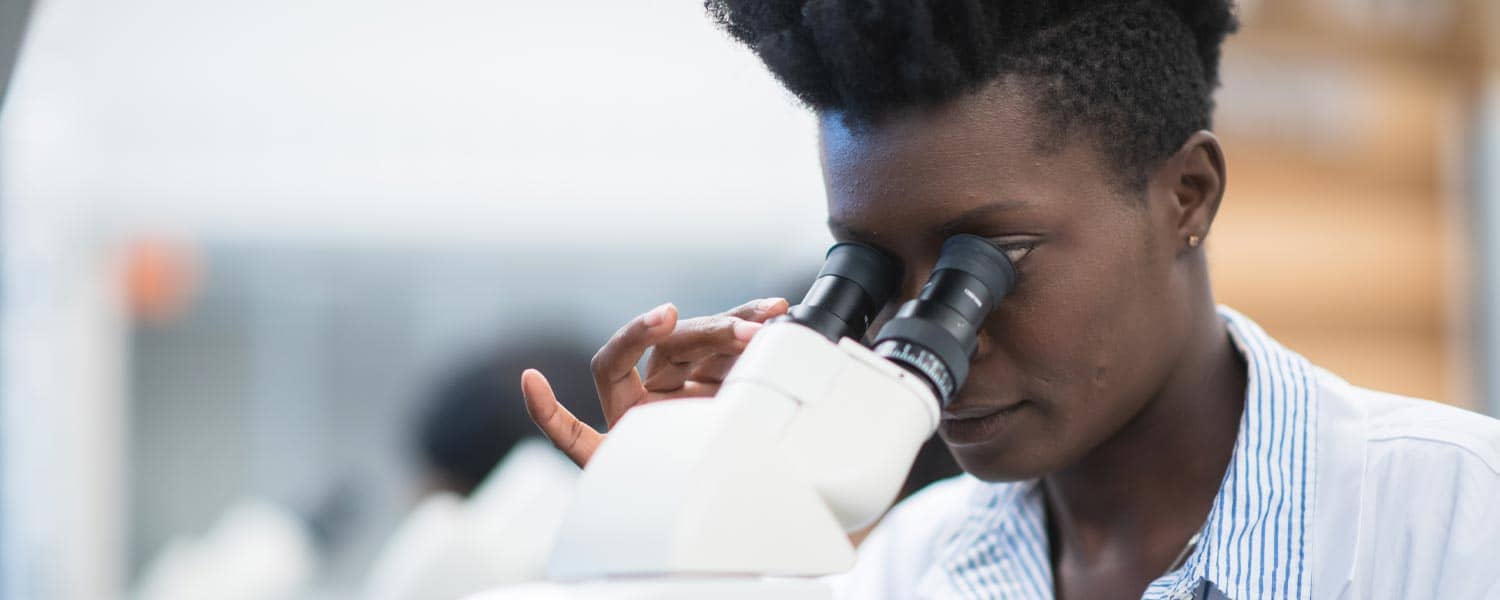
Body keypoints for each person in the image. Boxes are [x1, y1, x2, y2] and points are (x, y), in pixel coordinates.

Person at [518, 1, 1500, 598]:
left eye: (987, 260)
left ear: (1186, 198)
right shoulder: (905, 570)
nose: (931, 338)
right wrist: (695, 543)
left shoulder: (1459, 527)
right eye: (865, 270)